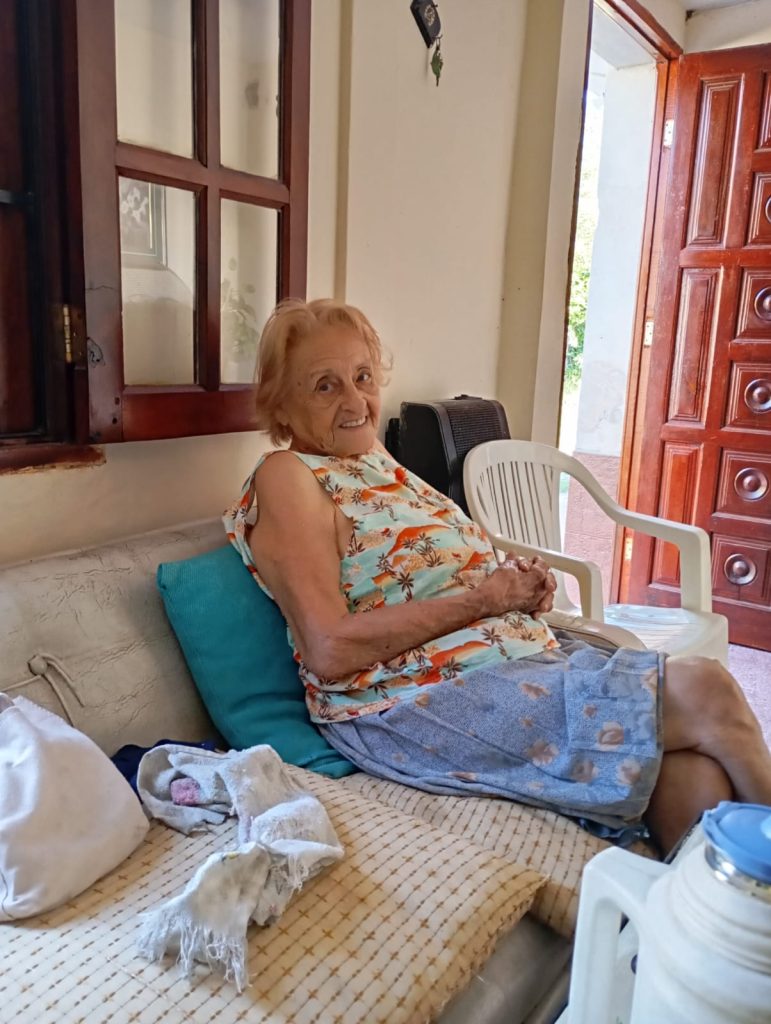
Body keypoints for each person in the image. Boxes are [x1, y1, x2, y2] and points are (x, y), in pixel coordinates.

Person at [224, 298, 771, 854]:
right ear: (282, 408)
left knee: (695, 773)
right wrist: (485, 601)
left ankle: (707, 905)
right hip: (409, 700)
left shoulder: (371, 460)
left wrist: (517, 591)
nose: (354, 400)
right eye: (325, 386)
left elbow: (423, 575)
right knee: (706, 688)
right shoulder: (288, 475)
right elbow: (329, 647)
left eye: (362, 376)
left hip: (503, 665)